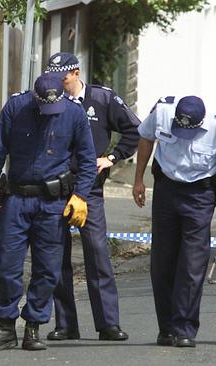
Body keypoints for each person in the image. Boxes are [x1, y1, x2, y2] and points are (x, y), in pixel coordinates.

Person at [0, 72, 96, 351]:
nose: (48, 114)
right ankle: (6, 327)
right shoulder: (16, 108)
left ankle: (34, 326)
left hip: (53, 203)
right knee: (7, 265)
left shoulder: (74, 114)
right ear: (35, 98)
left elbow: (88, 160)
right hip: (17, 199)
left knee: (47, 268)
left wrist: (80, 196)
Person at [133, 95, 216, 347]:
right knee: (162, 262)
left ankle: (184, 328)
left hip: (200, 194)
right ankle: (167, 327)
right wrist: (138, 179)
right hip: (166, 189)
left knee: (192, 264)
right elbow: (146, 138)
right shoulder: (162, 111)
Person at [44, 52, 140, 342]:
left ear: (75, 73)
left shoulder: (102, 99)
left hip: (90, 189)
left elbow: (134, 130)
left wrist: (112, 157)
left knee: (97, 255)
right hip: (56, 187)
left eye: (62, 76)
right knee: (57, 255)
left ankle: (108, 323)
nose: (57, 81)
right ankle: (65, 324)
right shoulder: (51, 98)